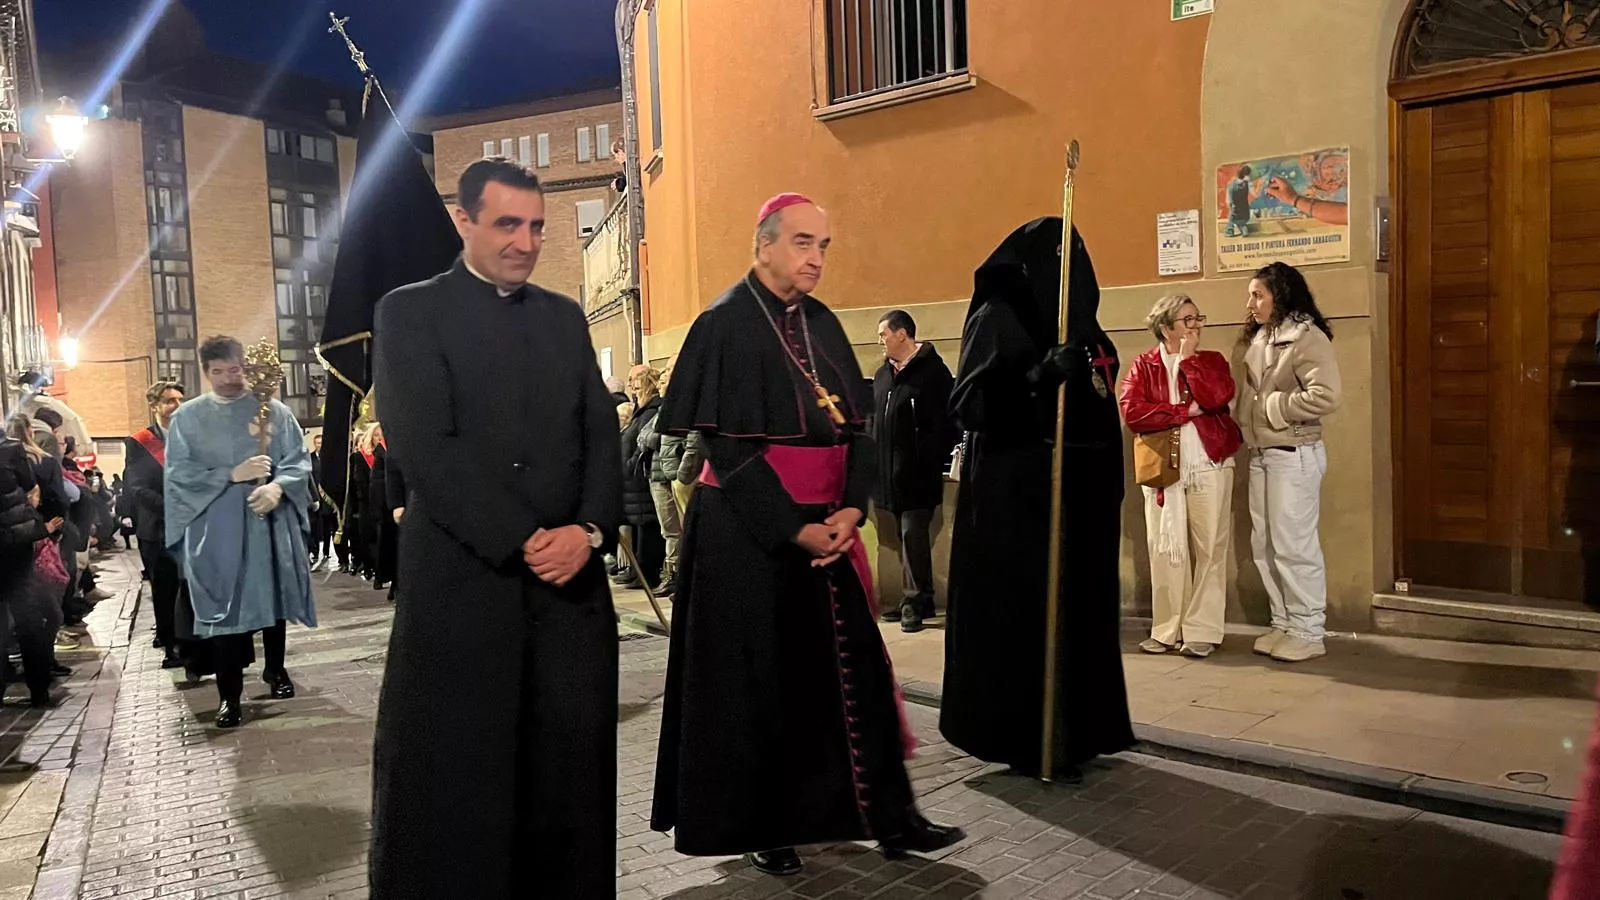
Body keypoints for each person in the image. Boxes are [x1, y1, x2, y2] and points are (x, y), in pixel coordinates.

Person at [651, 192, 963, 878]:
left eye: (823, 245)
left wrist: (852, 509)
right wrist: (794, 528)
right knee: (765, 687)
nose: (816, 257)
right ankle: (770, 828)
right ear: (762, 245)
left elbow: (856, 428)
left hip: (827, 528)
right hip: (750, 536)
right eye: (802, 242)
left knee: (859, 677)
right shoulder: (724, 325)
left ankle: (892, 816)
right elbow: (728, 450)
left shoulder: (821, 323)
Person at [368, 158, 622, 898]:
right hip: (462, 588)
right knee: (458, 782)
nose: (527, 241)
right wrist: (524, 538)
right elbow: (423, 445)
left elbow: (600, 436)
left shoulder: (563, 316)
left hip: (568, 595)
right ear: (465, 221)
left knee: (567, 778)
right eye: (508, 223)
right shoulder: (409, 312)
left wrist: (591, 530)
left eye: (537, 225)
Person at [941, 218, 1134, 783]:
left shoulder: (1088, 328)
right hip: (1017, 505)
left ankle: (1080, 730)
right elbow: (970, 404)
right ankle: (1028, 737)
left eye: (1074, 248)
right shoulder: (999, 315)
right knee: (1028, 619)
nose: (1067, 262)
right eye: (1055, 252)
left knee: (1078, 614)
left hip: (1079, 498)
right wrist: (1037, 376)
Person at [164, 335, 316, 728]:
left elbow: (298, 460)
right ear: (206, 372)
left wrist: (278, 487)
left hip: (268, 522)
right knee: (226, 611)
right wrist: (230, 475)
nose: (228, 378)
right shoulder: (188, 417)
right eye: (218, 371)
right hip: (218, 528)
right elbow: (179, 474)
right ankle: (229, 695)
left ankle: (276, 669)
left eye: (235, 369)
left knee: (272, 599)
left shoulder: (276, 412)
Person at [1119, 295, 1242, 659]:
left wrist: (1189, 361)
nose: (1196, 326)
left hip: (1209, 463)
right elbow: (1134, 414)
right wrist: (1182, 411)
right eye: (1188, 320)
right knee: (1166, 549)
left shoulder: (1211, 362)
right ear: (1166, 326)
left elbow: (1219, 395)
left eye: (1197, 319)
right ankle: (1167, 628)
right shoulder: (1144, 366)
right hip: (1162, 470)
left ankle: (1202, 630)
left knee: (1209, 549)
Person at [1238, 261, 1341, 663]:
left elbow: (1327, 395)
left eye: (1258, 295)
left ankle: (1308, 629)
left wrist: (1277, 407)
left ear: (1280, 296)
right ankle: (1284, 620)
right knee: (1265, 544)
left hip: (1293, 454)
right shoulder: (1264, 337)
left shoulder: (1306, 337)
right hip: (1264, 453)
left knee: (1295, 545)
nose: (1251, 303)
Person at [871, 309, 956, 633]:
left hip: (918, 472)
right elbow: (874, 419)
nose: (880, 340)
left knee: (912, 534)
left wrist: (933, 457)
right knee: (901, 537)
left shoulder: (932, 373)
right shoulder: (882, 375)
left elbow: (948, 420)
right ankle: (919, 598)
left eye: (884, 334)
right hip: (888, 473)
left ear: (902, 334)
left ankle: (914, 601)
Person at [125, 380, 187, 669]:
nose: (176, 405)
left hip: (192, 526)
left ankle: (192, 643)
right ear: (155, 406)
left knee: (190, 588)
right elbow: (137, 487)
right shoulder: (139, 442)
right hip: (158, 528)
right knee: (164, 590)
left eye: (179, 399)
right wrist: (172, 509)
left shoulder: (191, 435)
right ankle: (170, 646)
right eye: (169, 400)